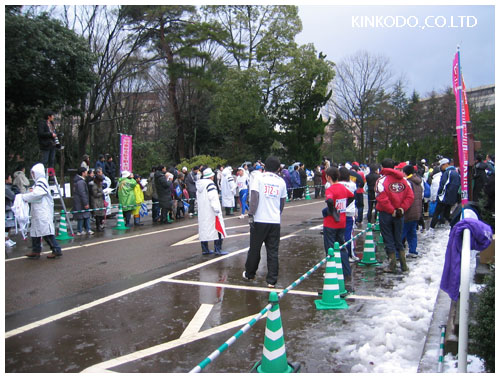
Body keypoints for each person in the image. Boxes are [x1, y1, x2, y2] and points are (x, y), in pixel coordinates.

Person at [242, 156, 287, 288]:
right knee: (273, 251)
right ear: (278, 168)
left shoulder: (259, 178)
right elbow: (282, 202)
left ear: (264, 166)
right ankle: (272, 280)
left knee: (255, 249)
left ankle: (250, 274)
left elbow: (254, 197)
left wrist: (251, 214)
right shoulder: (281, 182)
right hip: (274, 221)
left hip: (260, 219)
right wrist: (277, 214)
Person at [375, 158, 414, 273]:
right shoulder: (405, 180)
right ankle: (403, 264)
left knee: (388, 238)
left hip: (386, 213)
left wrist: (391, 210)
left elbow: (381, 197)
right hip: (400, 213)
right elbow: (410, 196)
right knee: (399, 239)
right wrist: (402, 208)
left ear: (382, 167)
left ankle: (392, 265)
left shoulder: (381, 180)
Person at [22, 163, 62, 259]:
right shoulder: (38, 182)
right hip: (38, 211)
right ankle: (36, 250)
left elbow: (38, 194)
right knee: (35, 232)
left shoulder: (41, 182)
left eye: (34, 173)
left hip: (43, 211)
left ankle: (56, 249)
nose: (33, 175)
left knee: (46, 232)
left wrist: (24, 197)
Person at [322, 166, 355, 282]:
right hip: (341, 221)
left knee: (330, 248)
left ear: (328, 177)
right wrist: (342, 207)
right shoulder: (342, 187)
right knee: (342, 247)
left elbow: (330, 200)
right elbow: (352, 196)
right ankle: (346, 272)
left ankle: (332, 272)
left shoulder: (330, 189)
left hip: (331, 223)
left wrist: (332, 210)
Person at [196, 167, 228, 256]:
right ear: (211, 177)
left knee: (203, 230)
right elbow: (213, 198)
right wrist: (217, 210)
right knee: (218, 229)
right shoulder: (210, 185)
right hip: (211, 211)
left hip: (203, 211)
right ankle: (218, 249)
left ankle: (205, 249)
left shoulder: (199, 185)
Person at [429, 158, 460, 236]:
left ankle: (431, 229)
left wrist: (439, 195)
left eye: (442, 165)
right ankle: (455, 225)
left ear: (446, 164)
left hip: (444, 197)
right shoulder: (455, 173)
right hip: (451, 198)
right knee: (446, 214)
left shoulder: (447, 173)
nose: (441, 167)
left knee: (436, 213)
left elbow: (443, 185)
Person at [401, 165, 423, 258]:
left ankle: (398, 254)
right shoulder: (418, 182)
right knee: (412, 232)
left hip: (409, 212)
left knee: (402, 233)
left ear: (405, 172)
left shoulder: (408, 183)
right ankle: (413, 251)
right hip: (417, 212)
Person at [339, 167, 358, 262]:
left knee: (338, 234)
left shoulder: (336, 184)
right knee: (348, 234)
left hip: (338, 212)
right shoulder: (352, 185)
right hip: (349, 212)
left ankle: (340, 254)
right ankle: (350, 254)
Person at [73, 167, 94, 235]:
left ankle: (84, 229)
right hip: (81, 203)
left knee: (83, 216)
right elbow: (83, 193)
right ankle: (82, 230)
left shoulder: (78, 181)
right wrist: (86, 203)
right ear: (83, 173)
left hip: (79, 202)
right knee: (83, 216)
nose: (86, 173)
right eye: (85, 172)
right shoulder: (81, 182)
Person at [6, 174, 17, 247]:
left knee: (7, 225)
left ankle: (6, 239)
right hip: (6, 208)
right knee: (7, 225)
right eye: (10, 178)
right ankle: (5, 240)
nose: (11, 179)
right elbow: (13, 196)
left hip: (7, 208)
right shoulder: (5, 188)